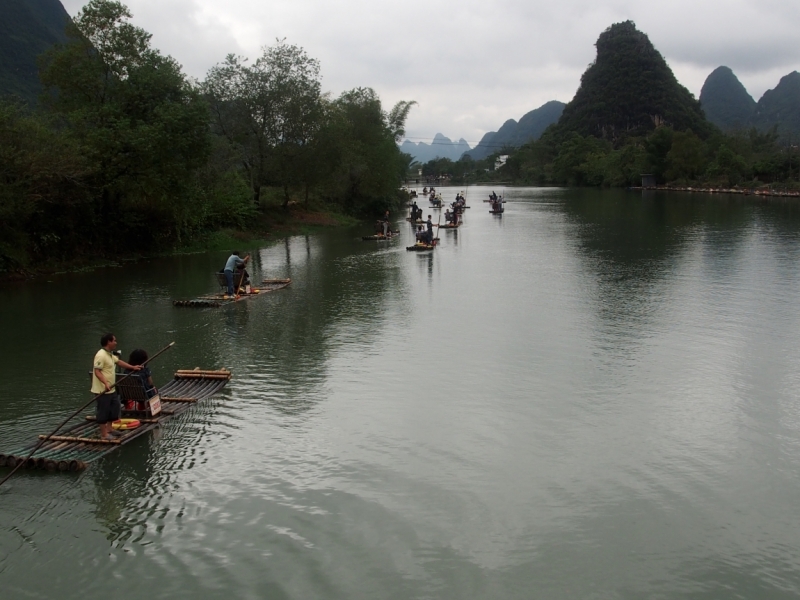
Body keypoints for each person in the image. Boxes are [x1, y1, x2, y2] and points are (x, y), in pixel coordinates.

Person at [92, 333, 141, 440]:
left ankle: (110, 429)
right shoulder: (100, 355)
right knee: (103, 411)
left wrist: (132, 367)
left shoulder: (109, 354)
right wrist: (105, 383)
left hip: (112, 389)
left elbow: (119, 362)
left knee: (114, 408)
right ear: (108, 342)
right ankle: (104, 434)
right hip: (103, 390)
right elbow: (97, 372)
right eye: (114, 341)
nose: (116, 343)